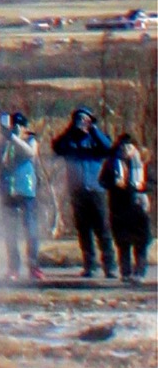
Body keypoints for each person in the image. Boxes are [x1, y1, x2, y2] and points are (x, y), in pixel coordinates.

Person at [53, 106, 118, 280]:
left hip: (96, 190)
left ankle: (110, 266)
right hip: (77, 191)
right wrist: (70, 130)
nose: (82, 123)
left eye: (85, 119)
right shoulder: (69, 140)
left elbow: (109, 148)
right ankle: (90, 266)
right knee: (84, 230)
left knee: (103, 229)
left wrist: (93, 129)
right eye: (78, 119)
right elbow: (57, 147)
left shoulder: (96, 139)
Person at [0, 112, 42, 281]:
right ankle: (13, 267)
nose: (16, 129)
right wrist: (4, 137)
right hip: (8, 190)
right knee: (10, 231)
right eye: (14, 125)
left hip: (26, 190)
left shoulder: (30, 140)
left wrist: (14, 138)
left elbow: (29, 153)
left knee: (31, 229)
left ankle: (34, 266)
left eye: (19, 126)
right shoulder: (5, 142)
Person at [110, 130, 151, 284]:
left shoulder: (142, 162)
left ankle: (139, 272)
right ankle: (125, 272)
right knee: (123, 242)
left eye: (129, 146)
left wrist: (141, 187)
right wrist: (115, 184)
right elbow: (103, 181)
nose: (126, 149)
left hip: (139, 208)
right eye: (123, 146)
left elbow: (152, 182)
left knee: (140, 243)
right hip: (119, 208)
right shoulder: (113, 163)